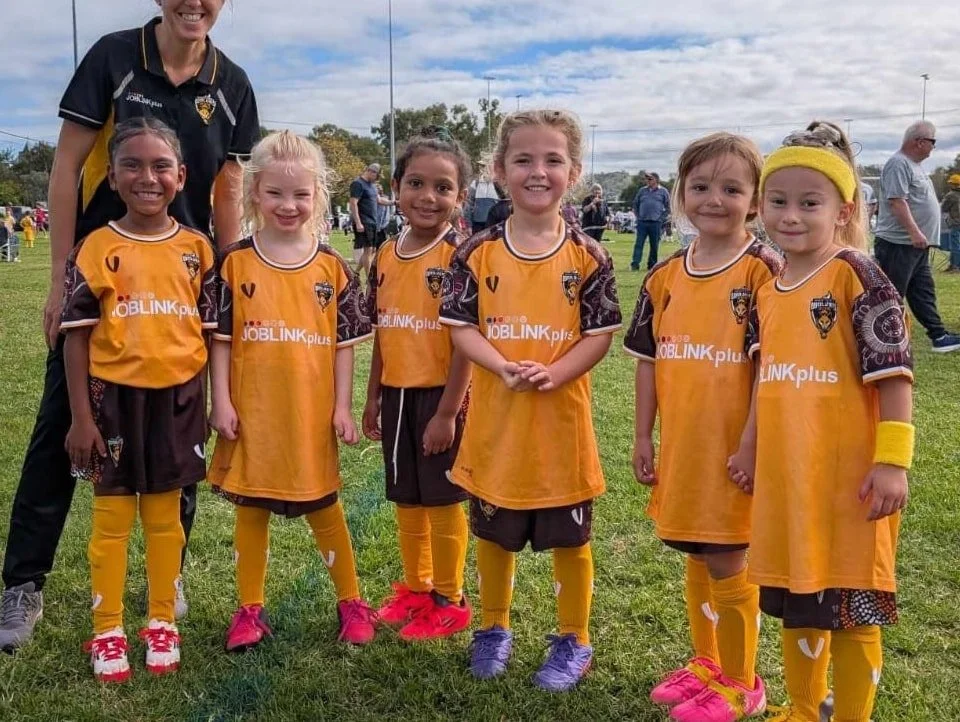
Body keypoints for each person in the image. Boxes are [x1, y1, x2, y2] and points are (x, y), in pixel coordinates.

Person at [0, 0, 260, 651]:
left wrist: (227, 282)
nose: (194, 3)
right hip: (102, 279)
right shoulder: (114, 57)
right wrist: (64, 274)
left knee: (180, 432)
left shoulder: (232, 84)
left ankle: (165, 586)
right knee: (61, 430)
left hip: (182, 286)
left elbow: (228, 191)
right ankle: (22, 585)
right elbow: (65, 167)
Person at [733, 121, 913, 722]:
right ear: (761, 207)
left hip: (850, 485)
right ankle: (804, 708)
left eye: (810, 202)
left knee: (853, 602)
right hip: (790, 481)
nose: (791, 215)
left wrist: (892, 462)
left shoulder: (858, 274)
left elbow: (894, 377)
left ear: (843, 208)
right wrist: (750, 447)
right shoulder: (769, 285)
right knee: (797, 599)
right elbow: (766, 379)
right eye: (778, 201)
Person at [440, 109, 622, 692]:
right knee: (492, 533)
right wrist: (499, 366)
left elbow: (598, 335)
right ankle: (494, 627)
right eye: (523, 159)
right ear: (499, 170)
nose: (537, 172)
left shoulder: (589, 256)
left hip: (562, 431)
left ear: (573, 171)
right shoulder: (475, 252)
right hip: (496, 428)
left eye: (552, 160)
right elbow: (460, 327)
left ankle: (574, 637)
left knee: (572, 540)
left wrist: (558, 372)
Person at [626, 133, 783, 722]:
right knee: (696, 551)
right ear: (679, 193)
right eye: (700, 187)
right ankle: (707, 663)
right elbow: (648, 362)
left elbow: (774, 369)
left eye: (731, 188)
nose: (714, 199)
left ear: (755, 199)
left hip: (735, 449)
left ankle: (743, 683)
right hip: (684, 444)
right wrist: (643, 435)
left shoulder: (766, 271)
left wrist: (750, 444)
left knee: (727, 557)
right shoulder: (664, 276)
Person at [59, 118, 216, 681]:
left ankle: (159, 622)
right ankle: (106, 629)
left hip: (178, 399)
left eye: (160, 167)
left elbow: (215, 335)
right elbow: (76, 338)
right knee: (112, 517)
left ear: (180, 176)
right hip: (113, 401)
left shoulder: (199, 249)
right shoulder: (96, 246)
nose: (146, 177)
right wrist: (80, 416)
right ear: (113, 175)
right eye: (132, 164)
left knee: (165, 517)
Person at [208, 131, 376, 651]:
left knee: (325, 506)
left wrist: (343, 406)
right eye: (276, 193)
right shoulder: (234, 262)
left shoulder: (332, 267)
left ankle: (351, 600)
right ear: (254, 192)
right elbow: (222, 342)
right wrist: (222, 401)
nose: (288, 205)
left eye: (301, 194)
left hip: (309, 414)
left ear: (317, 196)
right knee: (251, 509)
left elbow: (344, 345)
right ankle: (248, 609)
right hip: (253, 412)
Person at [362, 128, 473, 641]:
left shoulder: (462, 256)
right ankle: (417, 585)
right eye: (416, 183)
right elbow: (384, 329)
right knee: (407, 497)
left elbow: (467, 342)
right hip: (399, 394)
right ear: (396, 187)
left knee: (443, 499)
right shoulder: (386, 253)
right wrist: (373, 395)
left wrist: (449, 412)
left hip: (441, 394)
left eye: (443, 187)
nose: (428, 197)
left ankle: (450, 597)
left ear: (460, 196)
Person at [874, 121, 960, 352]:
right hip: (898, 244)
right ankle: (880, 340)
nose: (934, 147)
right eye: (933, 141)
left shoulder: (915, 166)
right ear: (919, 141)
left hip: (916, 245)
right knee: (891, 293)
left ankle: (939, 337)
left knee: (923, 291)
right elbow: (896, 201)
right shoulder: (898, 164)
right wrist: (914, 232)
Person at [349, 163, 393, 276]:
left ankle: (356, 272)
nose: (377, 179)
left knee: (372, 250)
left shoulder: (372, 186)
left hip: (373, 222)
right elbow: (353, 203)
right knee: (368, 250)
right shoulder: (358, 184)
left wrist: (395, 203)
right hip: (364, 222)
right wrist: (358, 222)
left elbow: (379, 200)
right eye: (377, 176)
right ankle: (370, 279)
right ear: (371, 172)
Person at [632, 171, 671, 271]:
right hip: (642, 222)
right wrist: (638, 216)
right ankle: (635, 264)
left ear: (656, 180)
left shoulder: (663, 192)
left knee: (654, 245)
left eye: (650, 179)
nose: (647, 181)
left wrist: (662, 218)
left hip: (656, 223)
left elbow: (668, 207)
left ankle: (652, 265)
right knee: (639, 244)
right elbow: (636, 204)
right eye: (646, 179)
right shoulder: (642, 191)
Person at [940, 174, 960, 272]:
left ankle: (955, 266)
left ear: (953, 184)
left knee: (955, 245)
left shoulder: (951, 195)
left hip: (956, 222)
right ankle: (953, 265)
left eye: (951, 183)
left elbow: (943, 208)